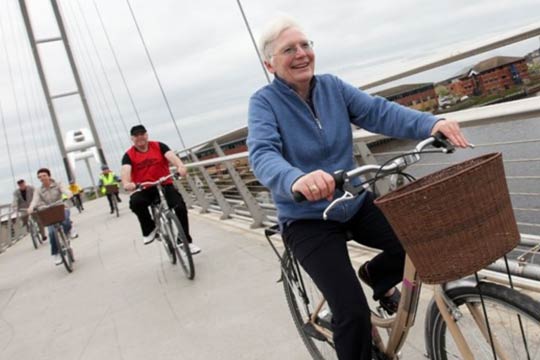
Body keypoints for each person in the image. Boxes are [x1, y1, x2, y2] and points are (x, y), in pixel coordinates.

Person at [247, 17, 469, 360]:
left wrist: (432, 123)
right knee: (351, 311)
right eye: (289, 49)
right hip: (308, 218)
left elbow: (379, 112)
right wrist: (295, 179)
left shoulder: (332, 87)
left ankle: (376, 275)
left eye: (305, 45)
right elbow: (262, 153)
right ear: (269, 64)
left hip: (353, 199)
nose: (301, 54)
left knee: (419, 245)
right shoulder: (264, 103)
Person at [121, 124, 201, 254]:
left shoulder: (159, 146)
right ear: (132, 138)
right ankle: (150, 229)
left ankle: (184, 241)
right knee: (136, 203)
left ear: (146, 135)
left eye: (142, 134)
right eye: (136, 135)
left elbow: (172, 157)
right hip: (144, 187)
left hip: (164, 184)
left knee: (179, 207)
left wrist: (180, 166)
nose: (140, 137)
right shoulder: (129, 155)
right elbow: (125, 170)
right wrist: (127, 183)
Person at [28, 168, 75, 265]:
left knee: (65, 220)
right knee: (51, 233)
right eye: (40, 177)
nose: (42, 178)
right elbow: (35, 200)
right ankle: (56, 253)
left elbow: (65, 190)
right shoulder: (38, 190)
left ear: (49, 176)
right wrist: (31, 207)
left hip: (61, 207)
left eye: (44, 176)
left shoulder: (58, 184)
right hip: (48, 211)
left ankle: (69, 230)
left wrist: (69, 194)